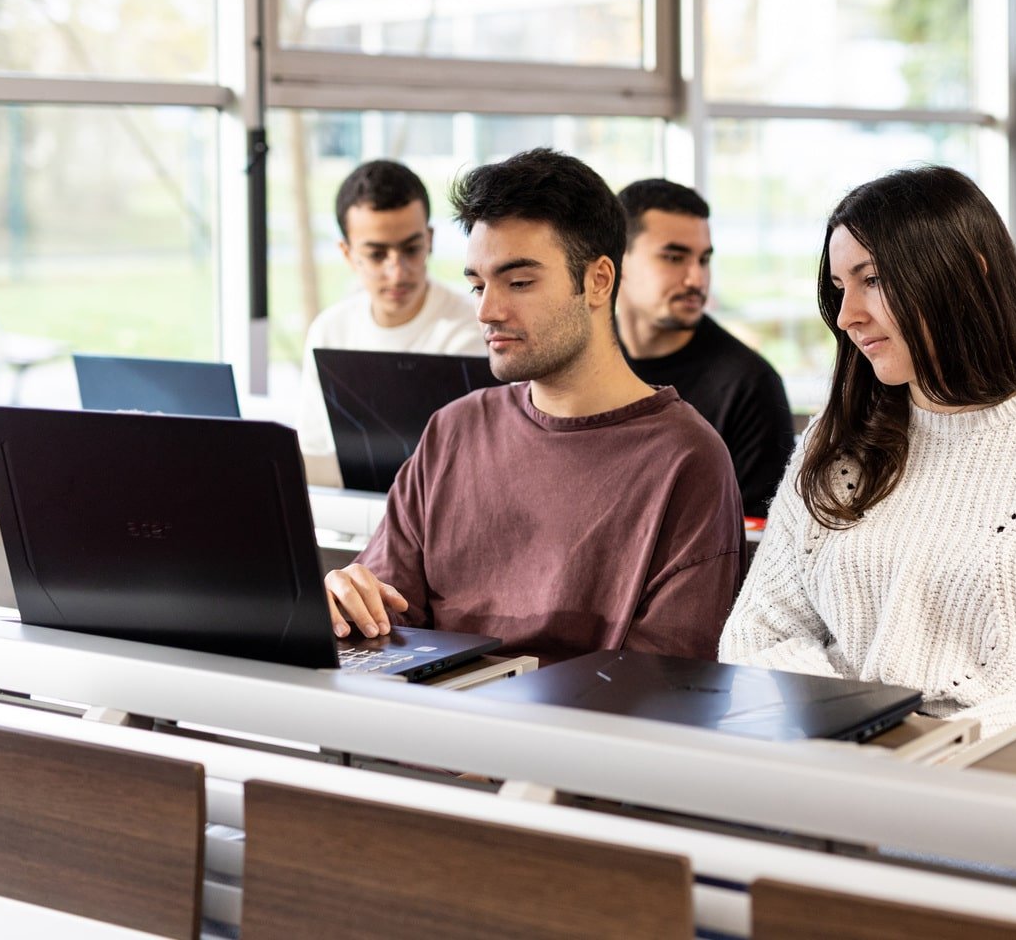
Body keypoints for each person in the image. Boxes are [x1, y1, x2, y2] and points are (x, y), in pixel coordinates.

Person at [719, 165, 1016, 748]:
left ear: (968, 274)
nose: (848, 316)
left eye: (873, 280)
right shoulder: (835, 443)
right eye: (841, 288)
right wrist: (863, 725)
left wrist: (940, 740)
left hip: (1000, 791)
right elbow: (758, 634)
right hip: (840, 772)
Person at [324, 149, 743, 663]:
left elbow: (663, 686)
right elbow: (384, 616)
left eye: (519, 282)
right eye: (477, 284)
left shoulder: (687, 460)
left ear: (598, 281)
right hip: (432, 730)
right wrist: (347, 602)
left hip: (570, 738)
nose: (486, 310)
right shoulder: (453, 430)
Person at [295, 159, 484, 487]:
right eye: (377, 255)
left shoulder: (473, 328)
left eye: (411, 249)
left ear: (430, 240)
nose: (397, 272)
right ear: (347, 254)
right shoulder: (329, 331)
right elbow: (312, 462)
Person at [615, 179, 794, 518]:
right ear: (616, 262)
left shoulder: (749, 384)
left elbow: (757, 539)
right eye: (674, 257)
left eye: (703, 259)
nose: (697, 279)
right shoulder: (586, 363)